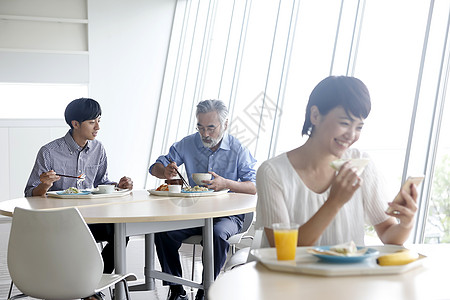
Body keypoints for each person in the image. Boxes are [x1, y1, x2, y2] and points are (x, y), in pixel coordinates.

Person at [255, 76, 418, 248]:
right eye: (345, 123)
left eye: (359, 127)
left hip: (349, 274)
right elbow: (283, 249)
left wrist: (406, 223)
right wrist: (335, 202)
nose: (351, 135)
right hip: (290, 275)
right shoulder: (272, 172)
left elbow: (388, 234)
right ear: (315, 115)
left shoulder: (361, 164)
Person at [149, 99, 256, 300]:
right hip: (193, 213)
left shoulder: (238, 149)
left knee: (216, 233)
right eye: (200, 127)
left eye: (211, 128)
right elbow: (155, 166)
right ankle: (176, 289)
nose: (205, 134)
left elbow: (253, 186)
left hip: (228, 216)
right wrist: (165, 171)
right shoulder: (188, 143)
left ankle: (206, 291)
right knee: (163, 232)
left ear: (224, 125)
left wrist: (227, 183)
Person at [24, 98, 133, 288]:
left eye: (99, 120)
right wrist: (45, 185)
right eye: (92, 122)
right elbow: (30, 194)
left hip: (91, 219)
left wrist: (119, 186)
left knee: (121, 233)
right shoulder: (49, 152)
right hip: (60, 223)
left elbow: (102, 183)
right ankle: (86, 286)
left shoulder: (98, 149)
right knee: (80, 242)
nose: (98, 126)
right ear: (75, 124)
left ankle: (93, 283)